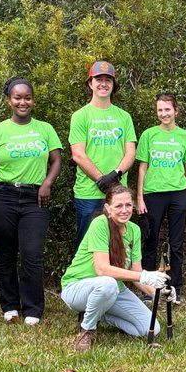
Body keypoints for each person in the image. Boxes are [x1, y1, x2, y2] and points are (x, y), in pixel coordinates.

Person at [0, 78, 62, 325]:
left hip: (35, 197)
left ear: (33, 100)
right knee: (5, 253)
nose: (22, 102)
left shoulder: (45, 129)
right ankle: (10, 306)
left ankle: (33, 308)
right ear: (9, 101)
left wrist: (47, 183)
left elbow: (56, 160)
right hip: (2, 196)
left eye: (27, 97)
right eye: (17, 98)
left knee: (31, 254)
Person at [60, 184, 170, 351]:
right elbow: (102, 270)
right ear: (107, 208)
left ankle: (97, 313)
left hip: (112, 291)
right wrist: (144, 276)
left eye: (128, 205)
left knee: (150, 328)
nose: (124, 210)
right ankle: (87, 329)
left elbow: (136, 272)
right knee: (107, 283)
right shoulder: (100, 224)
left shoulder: (134, 230)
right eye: (118, 205)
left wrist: (158, 291)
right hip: (78, 288)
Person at [69, 61, 137, 248]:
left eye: (108, 80)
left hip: (118, 194)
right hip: (88, 193)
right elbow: (78, 154)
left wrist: (115, 176)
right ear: (90, 83)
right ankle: (82, 279)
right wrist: (101, 179)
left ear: (114, 85)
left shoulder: (124, 117)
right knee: (87, 245)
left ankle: (118, 278)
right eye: (99, 79)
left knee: (117, 245)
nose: (103, 84)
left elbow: (130, 152)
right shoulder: (80, 116)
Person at [136, 93, 186, 301]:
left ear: (176, 111)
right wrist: (140, 197)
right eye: (160, 110)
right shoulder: (149, 135)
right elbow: (142, 168)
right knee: (150, 241)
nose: (164, 113)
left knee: (176, 243)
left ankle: (175, 288)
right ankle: (148, 290)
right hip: (153, 195)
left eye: (167, 109)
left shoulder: (185, 136)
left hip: (178, 195)